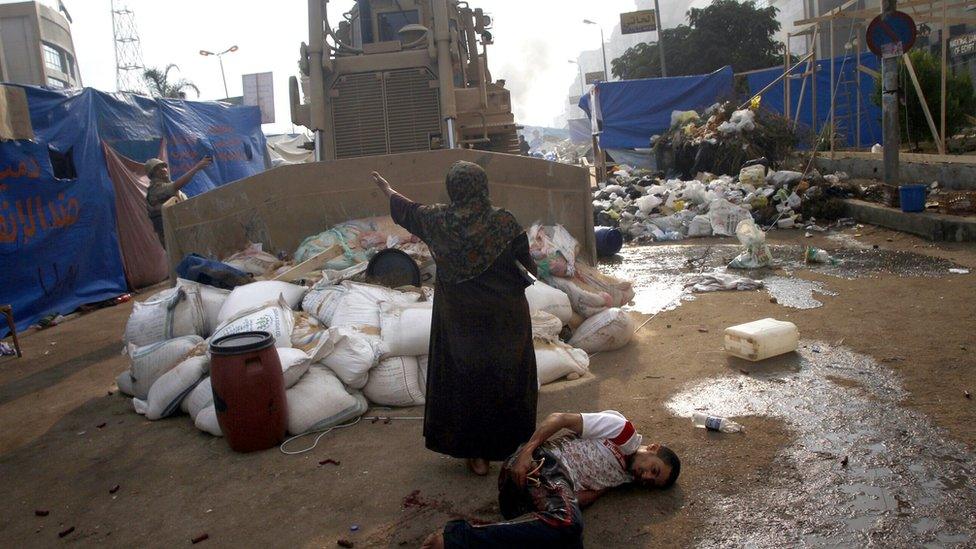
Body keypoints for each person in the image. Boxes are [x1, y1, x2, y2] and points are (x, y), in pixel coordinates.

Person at [371, 161, 537, 477]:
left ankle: (477, 456)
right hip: (505, 318)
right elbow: (525, 264)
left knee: (467, 381)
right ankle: (514, 447)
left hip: (461, 320)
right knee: (506, 376)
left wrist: (387, 189)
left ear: (453, 188)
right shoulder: (503, 222)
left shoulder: (438, 220)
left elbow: (408, 210)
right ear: (483, 186)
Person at [422, 410, 681, 548]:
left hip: (527, 503)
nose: (645, 477)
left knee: (570, 540)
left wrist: (578, 498)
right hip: (540, 464)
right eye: (653, 470)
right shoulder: (623, 431)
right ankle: (454, 538)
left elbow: (578, 497)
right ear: (654, 448)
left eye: (650, 482)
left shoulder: (623, 479)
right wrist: (526, 453)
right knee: (569, 523)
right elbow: (559, 419)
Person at [145, 156, 212, 246]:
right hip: (172, 236)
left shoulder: (171, 188)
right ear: (152, 174)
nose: (163, 169)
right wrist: (197, 167)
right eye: (157, 169)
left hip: (184, 230)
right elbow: (175, 186)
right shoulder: (155, 190)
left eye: (164, 166)